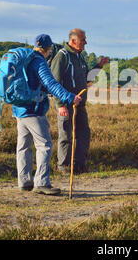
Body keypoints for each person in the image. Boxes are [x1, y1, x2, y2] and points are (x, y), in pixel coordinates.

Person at [13, 34, 82, 195]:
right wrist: (70, 97)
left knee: (23, 146)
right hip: (33, 111)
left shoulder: (26, 60)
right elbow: (51, 84)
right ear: (48, 49)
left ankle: (24, 181)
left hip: (19, 109)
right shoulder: (39, 62)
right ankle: (42, 183)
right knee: (45, 145)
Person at [50, 29, 109, 175]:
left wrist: (99, 66)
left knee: (83, 134)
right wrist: (60, 105)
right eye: (83, 40)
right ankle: (64, 167)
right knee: (66, 135)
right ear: (73, 41)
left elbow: (87, 78)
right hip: (66, 104)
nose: (85, 42)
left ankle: (79, 165)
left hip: (80, 105)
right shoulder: (62, 56)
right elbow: (54, 82)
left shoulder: (80, 57)